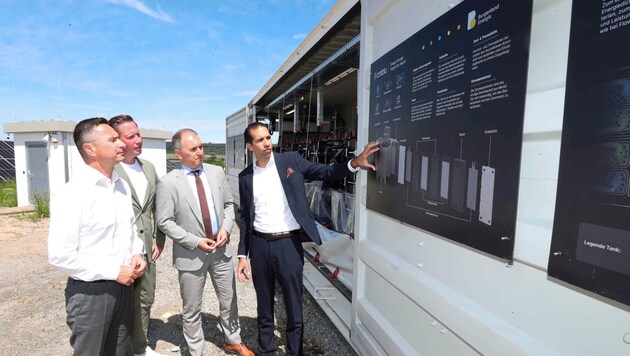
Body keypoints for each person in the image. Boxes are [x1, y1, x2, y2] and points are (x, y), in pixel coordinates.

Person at [236, 122, 379, 355]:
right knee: (264, 308)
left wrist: (353, 163)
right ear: (249, 146)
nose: (266, 143)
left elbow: (325, 172)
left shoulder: (290, 161)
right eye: (260, 140)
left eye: (267, 138)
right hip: (260, 246)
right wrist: (243, 255)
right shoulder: (245, 177)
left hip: (288, 245)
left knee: (294, 308)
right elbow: (245, 218)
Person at [48, 117, 147, 355]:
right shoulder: (73, 193)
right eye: (113, 139)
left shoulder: (120, 185)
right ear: (90, 148)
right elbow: (59, 256)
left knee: (121, 351)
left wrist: (137, 252)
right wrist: (114, 271)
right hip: (91, 295)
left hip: (125, 288)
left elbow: (129, 229)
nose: (121, 144)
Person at [155, 129, 254, 356]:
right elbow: (164, 221)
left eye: (201, 146)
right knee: (191, 309)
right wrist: (195, 241)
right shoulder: (169, 183)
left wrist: (226, 230)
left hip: (221, 251)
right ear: (178, 154)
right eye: (193, 149)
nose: (200, 152)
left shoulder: (216, 171)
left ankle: (233, 340)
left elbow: (230, 205)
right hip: (191, 254)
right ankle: (195, 350)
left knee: (229, 300)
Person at [109, 114, 166, 356]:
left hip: (146, 248)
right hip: (120, 248)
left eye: (138, 134)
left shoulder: (149, 168)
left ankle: (140, 348)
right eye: (131, 136)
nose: (138, 140)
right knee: (118, 303)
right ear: (118, 140)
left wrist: (159, 239)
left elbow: (158, 208)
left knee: (145, 299)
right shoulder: (111, 170)